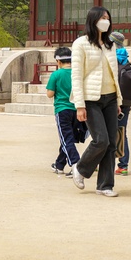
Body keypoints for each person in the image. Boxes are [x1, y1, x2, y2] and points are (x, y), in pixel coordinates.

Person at [70, 6, 123, 197]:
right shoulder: (80, 44)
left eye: (108, 18)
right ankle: (81, 168)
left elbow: (114, 74)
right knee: (101, 140)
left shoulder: (110, 44)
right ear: (93, 20)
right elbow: (76, 75)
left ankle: (105, 185)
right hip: (90, 99)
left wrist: (118, 100)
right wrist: (79, 105)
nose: (105, 21)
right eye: (102, 17)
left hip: (110, 97)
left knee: (111, 144)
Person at [46, 47, 80, 176]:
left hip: (62, 109)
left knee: (66, 139)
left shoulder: (56, 74)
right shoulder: (77, 73)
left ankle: (76, 164)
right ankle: (59, 164)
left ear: (58, 61)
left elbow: (50, 93)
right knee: (68, 137)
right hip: (77, 109)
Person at [109, 32, 131, 176]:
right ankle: (123, 165)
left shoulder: (111, 59)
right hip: (126, 103)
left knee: (102, 133)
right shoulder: (125, 58)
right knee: (122, 132)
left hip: (112, 102)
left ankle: (98, 161)